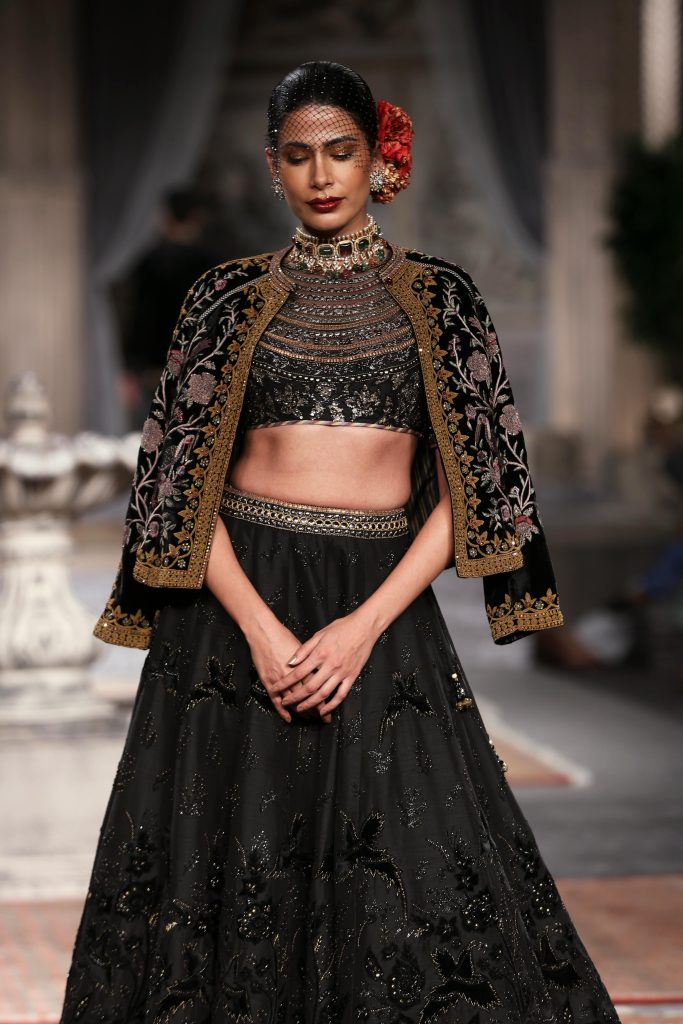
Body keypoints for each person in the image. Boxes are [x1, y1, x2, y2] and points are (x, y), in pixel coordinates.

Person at [59, 62, 619, 1023]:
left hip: (379, 600)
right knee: (223, 873)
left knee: (417, 877)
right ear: (273, 167)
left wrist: (359, 627)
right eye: (297, 155)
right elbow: (176, 487)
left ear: (377, 158)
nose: (321, 174)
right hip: (232, 611)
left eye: (340, 151)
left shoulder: (441, 301)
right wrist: (267, 634)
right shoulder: (224, 299)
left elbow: (472, 489)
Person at [115, 188, 221, 429]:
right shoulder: (213, 266)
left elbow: (141, 319)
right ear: (198, 218)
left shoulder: (149, 261)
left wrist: (130, 366)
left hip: (155, 368)